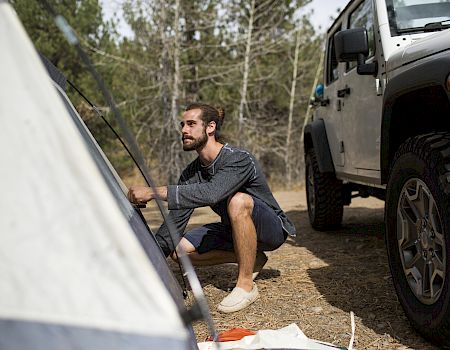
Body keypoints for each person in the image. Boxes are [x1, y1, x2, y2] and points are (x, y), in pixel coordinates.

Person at [127, 103, 296, 313]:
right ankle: (252, 258)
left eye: (191, 124)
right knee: (179, 252)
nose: (184, 130)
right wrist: (144, 263)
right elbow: (175, 224)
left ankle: (246, 286)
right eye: (182, 125)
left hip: (271, 230)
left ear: (210, 127)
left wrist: (153, 191)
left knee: (238, 201)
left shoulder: (238, 158)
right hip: (232, 230)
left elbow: (212, 192)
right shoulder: (191, 173)